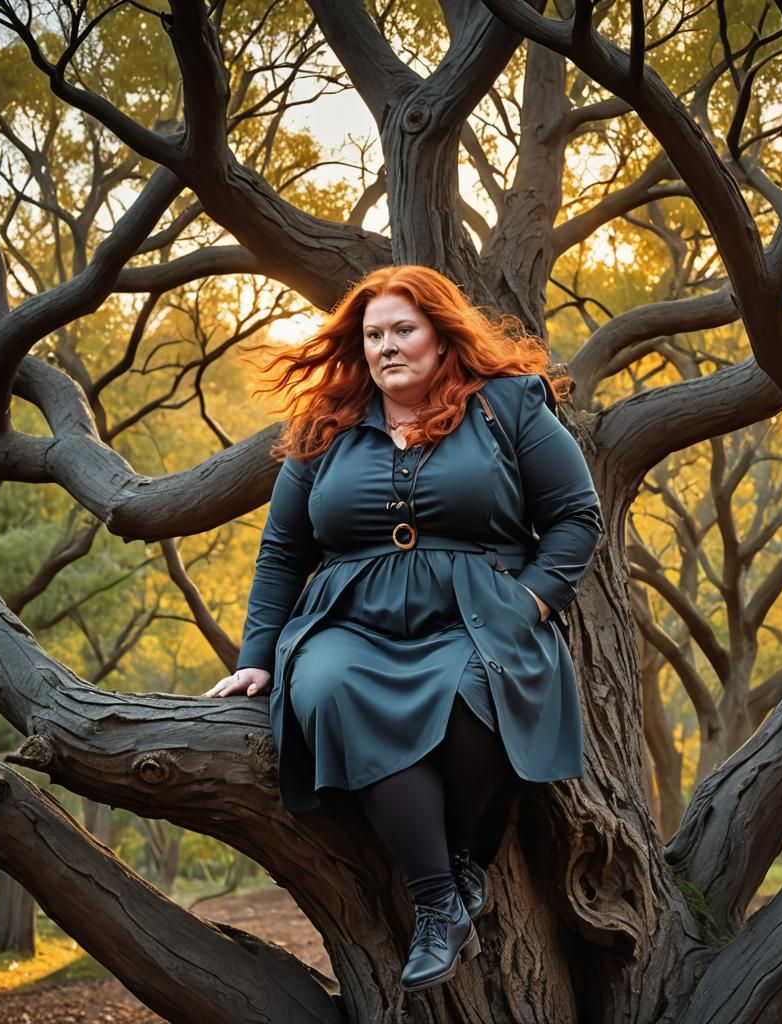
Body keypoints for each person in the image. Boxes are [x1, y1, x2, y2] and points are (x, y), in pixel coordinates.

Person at [204, 265, 603, 992]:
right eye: (374, 334)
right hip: (347, 626)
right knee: (325, 686)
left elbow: (577, 518)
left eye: (403, 330)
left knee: (474, 693)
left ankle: (461, 857)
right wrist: (258, 657)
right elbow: (284, 551)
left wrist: (533, 603)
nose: (388, 346)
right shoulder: (321, 427)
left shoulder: (507, 406)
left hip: (482, 618)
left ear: (442, 335)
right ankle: (438, 902)